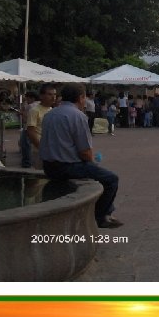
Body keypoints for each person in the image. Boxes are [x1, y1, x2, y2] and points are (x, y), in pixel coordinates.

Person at [40, 83, 122, 229]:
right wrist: (92, 163)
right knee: (111, 179)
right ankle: (100, 216)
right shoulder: (78, 116)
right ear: (80, 98)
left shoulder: (49, 114)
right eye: (84, 98)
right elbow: (85, 151)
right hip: (68, 167)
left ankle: (107, 211)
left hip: (48, 165)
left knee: (97, 172)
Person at [27, 83, 57, 169]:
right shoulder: (34, 110)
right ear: (41, 96)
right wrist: (41, 148)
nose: (53, 97)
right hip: (40, 150)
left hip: (52, 150)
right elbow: (31, 132)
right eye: (50, 94)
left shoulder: (52, 110)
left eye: (54, 94)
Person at [19, 91, 38, 168]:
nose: (26, 100)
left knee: (25, 145)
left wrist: (22, 113)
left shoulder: (30, 106)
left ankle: (26, 163)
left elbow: (25, 118)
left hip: (28, 128)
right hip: (37, 128)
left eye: (27, 99)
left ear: (32, 98)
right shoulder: (39, 105)